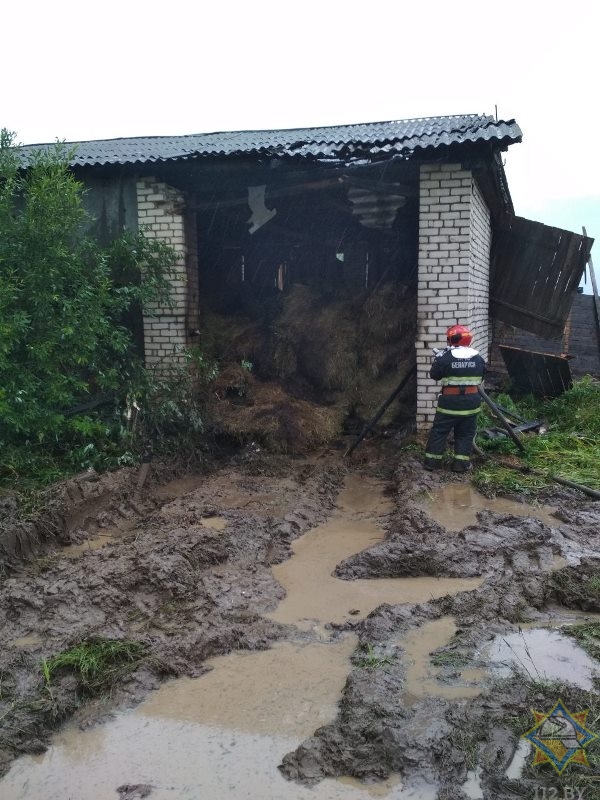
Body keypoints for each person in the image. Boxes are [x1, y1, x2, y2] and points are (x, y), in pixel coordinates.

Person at [423, 324, 486, 473]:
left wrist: (438, 360)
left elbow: (434, 375)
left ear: (451, 339)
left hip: (449, 404)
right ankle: (460, 465)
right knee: (465, 434)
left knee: (439, 432)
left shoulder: (445, 358)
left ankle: (432, 463)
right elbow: (482, 376)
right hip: (471, 403)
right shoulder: (478, 358)